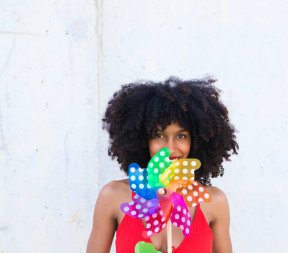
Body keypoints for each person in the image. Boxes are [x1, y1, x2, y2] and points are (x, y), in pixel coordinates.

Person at [86, 77, 238, 253]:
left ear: (196, 141)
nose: (170, 148)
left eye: (181, 136)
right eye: (159, 135)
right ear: (143, 140)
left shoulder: (215, 202)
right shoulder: (112, 196)